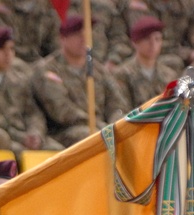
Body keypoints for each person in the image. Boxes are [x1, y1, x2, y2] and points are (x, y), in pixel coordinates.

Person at [31, 14, 127, 147]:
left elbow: (117, 104)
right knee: (90, 135)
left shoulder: (98, 70)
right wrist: (96, 124)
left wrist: (116, 123)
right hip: (64, 132)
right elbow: (61, 110)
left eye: (87, 34)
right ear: (63, 39)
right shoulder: (47, 70)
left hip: (102, 129)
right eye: (78, 35)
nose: (84, 40)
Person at [0, 25, 60, 156]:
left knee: (60, 154)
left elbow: (32, 113)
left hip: (23, 136)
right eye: (1, 49)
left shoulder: (18, 79)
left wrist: (35, 133)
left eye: (11, 49)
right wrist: (21, 137)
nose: (8, 54)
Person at [113, 17, 176, 110]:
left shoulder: (169, 75)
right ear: (135, 43)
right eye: (147, 39)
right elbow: (120, 108)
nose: (153, 44)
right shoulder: (122, 74)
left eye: (157, 39)